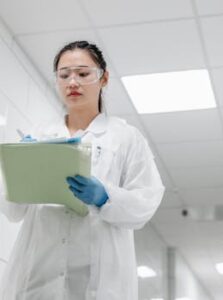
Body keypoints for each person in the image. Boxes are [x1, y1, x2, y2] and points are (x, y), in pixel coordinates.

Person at [0, 40, 165, 300]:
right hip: (36, 278)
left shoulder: (125, 137)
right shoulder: (39, 133)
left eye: (83, 73)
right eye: (64, 75)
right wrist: (19, 171)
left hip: (99, 282)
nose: (72, 82)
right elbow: (12, 212)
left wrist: (105, 197)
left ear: (104, 79)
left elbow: (146, 201)